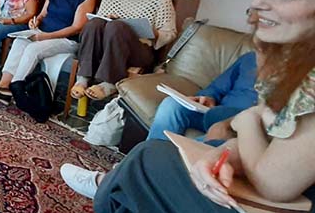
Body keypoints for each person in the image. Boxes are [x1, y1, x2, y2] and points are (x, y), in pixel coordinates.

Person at [78, 0, 315, 213]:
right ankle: (122, 190)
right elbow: (276, 139)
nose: (259, 2)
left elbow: (274, 183)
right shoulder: (294, 69)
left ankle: (110, 190)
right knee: (156, 206)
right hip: (293, 206)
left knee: (149, 161)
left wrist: (244, 120)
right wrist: (223, 154)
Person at [61, 51, 258, 199]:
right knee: (172, 105)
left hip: (243, 126)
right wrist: (208, 97)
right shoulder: (251, 58)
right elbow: (217, 87)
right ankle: (139, 166)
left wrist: (237, 122)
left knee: (209, 141)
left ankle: (111, 182)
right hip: (214, 113)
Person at [70, 0, 177, 100]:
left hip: (139, 52)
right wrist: (106, 18)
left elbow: (170, 34)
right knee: (94, 24)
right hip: (107, 46)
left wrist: (153, 31)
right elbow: (98, 25)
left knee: (117, 26)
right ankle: (83, 78)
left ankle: (110, 82)